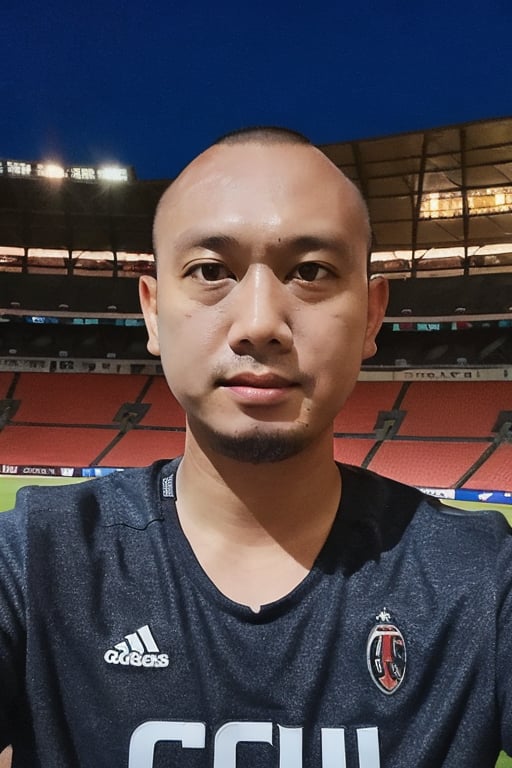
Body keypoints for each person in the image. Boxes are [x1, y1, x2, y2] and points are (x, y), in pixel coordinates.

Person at [0, 127, 511, 768]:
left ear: (373, 315)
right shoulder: (31, 562)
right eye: (211, 271)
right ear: (153, 312)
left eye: (312, 273)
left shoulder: (486, 578)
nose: (261, 323)